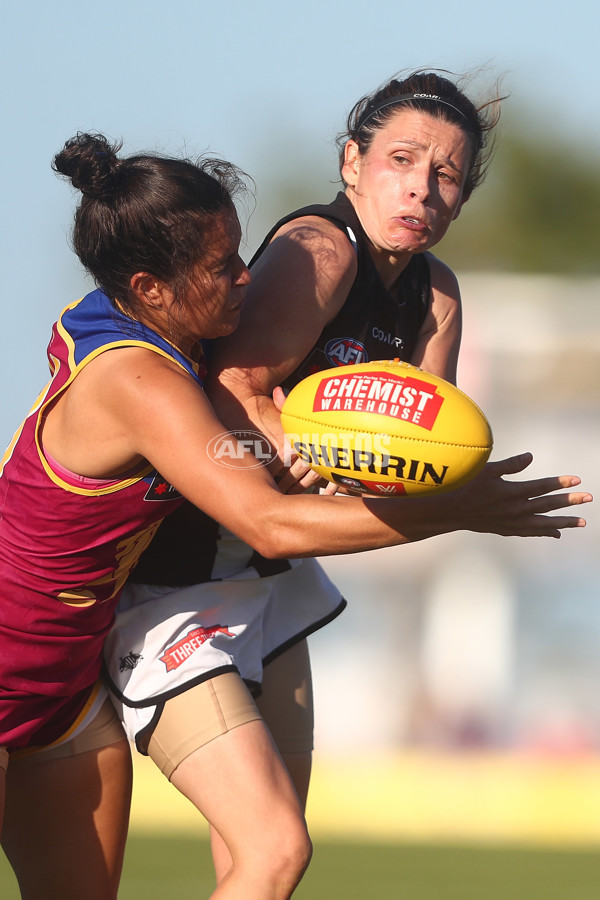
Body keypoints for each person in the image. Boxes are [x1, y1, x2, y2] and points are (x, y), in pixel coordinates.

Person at [2, 130, 586, 900]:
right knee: (275, 850)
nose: (248, 277)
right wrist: (457, 510)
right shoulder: (138, 381)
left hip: (65, 689)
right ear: (148, 289)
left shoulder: (157, 344)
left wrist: (304, 445)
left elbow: (248, 466)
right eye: (223, 267)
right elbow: (267, 523)